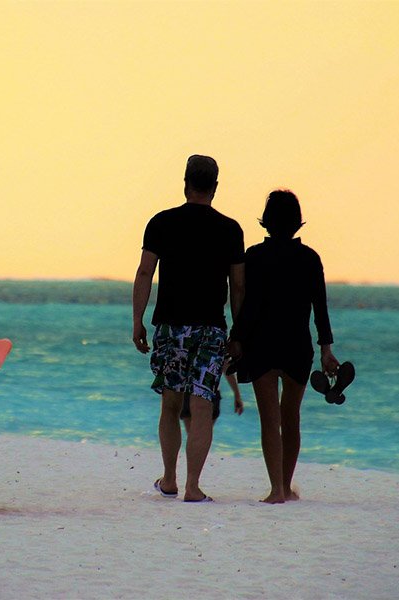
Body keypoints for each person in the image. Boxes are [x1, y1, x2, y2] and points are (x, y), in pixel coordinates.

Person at [132, 154, 245, 503]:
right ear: (215, 187)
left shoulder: (161, 223)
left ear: (185, 183)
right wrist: (238, 333)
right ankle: (193, 486)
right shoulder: (230, 229)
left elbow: (145, 272)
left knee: (170, 404)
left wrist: (137, 319)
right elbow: (238, 286)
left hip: (171, 326)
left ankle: (169, 479)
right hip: (211, 328)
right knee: (201, 406)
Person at [231, 189, 339, 504]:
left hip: (261, 345)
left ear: (266, 221)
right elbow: (321, 308)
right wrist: (326, 349)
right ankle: (286, 487)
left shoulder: (254, 256)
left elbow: (247, 306)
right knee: (290, 416)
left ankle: (276, 489)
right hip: (296, 346)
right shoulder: (309, 258)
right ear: (297, 222)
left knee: (270, 419)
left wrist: (236, 338)